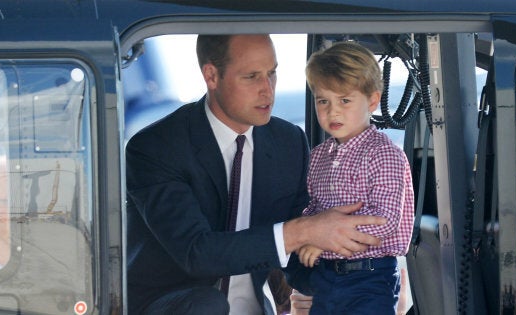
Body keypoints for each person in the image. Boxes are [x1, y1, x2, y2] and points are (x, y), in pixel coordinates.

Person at [126, 34, 386, 315]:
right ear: (212, 76)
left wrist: (360, 269)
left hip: (254, 308)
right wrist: (302, 231)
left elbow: (300, 254)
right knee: (207, 305)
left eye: (272, 73)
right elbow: (197, 253)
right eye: (251, 77)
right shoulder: (157, 147)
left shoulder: (288, 142)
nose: (268, 90)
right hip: (174, 307)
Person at [287, 41, 415, 315]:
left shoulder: (384, 154)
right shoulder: (319, 155)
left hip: (369, 279)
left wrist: (321, 238)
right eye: (323, 101)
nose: (333, 111)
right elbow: (313, 207)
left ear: (372, 100)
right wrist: (305, 234)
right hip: (326, 276)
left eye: (344, 100)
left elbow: (385, 220)